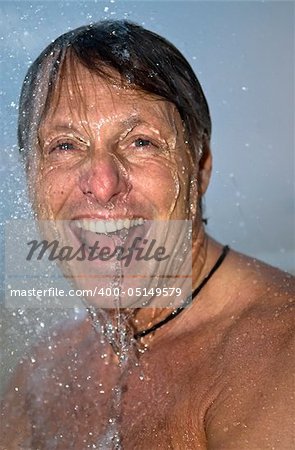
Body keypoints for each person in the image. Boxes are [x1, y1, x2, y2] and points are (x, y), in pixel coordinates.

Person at [1, 20, 294, 450]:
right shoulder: (42, 373)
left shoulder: (278, 358)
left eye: (141, 142)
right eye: (65, 146)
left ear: (200, 167)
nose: (102, 183)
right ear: (30, 179)